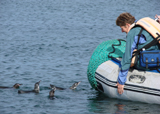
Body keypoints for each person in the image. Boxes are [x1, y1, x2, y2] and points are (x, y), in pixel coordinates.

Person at [115, 12, 160, 94]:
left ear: (128, 25)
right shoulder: (148, 26)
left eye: (122, 28)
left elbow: (127, 56)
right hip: (158, 60)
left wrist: (121, 82)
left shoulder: (133, 32)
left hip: (148, 63)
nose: (122, 31)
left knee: (128, 60)